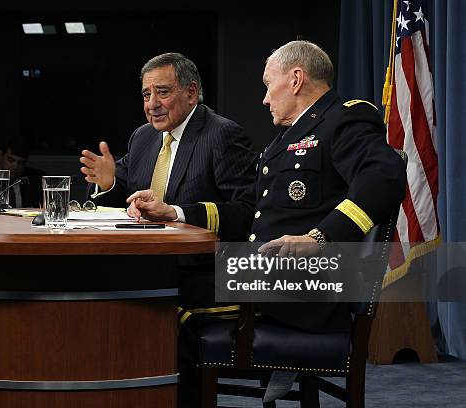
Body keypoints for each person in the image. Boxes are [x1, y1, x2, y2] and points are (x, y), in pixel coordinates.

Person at [127, 41, 407, 404]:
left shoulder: (344, 119)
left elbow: (384, 177)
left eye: (267, 84)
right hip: (261, 271)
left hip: (301, 284)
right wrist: (175, 212)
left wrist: (322, 238)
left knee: (163, 301)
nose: (263, 98)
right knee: (160, 284)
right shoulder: (288, 138)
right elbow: (249, 213)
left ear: (295, 79)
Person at [79, 52, 258, 241]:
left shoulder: (222, 134)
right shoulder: (143, 136)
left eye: (162, 92)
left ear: (191, 93)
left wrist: (175, 212)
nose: (152, 104)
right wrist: (108, 184)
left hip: (197, 262)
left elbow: (247, 210)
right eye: (147, 95)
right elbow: (121, 197)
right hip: (139, 253)